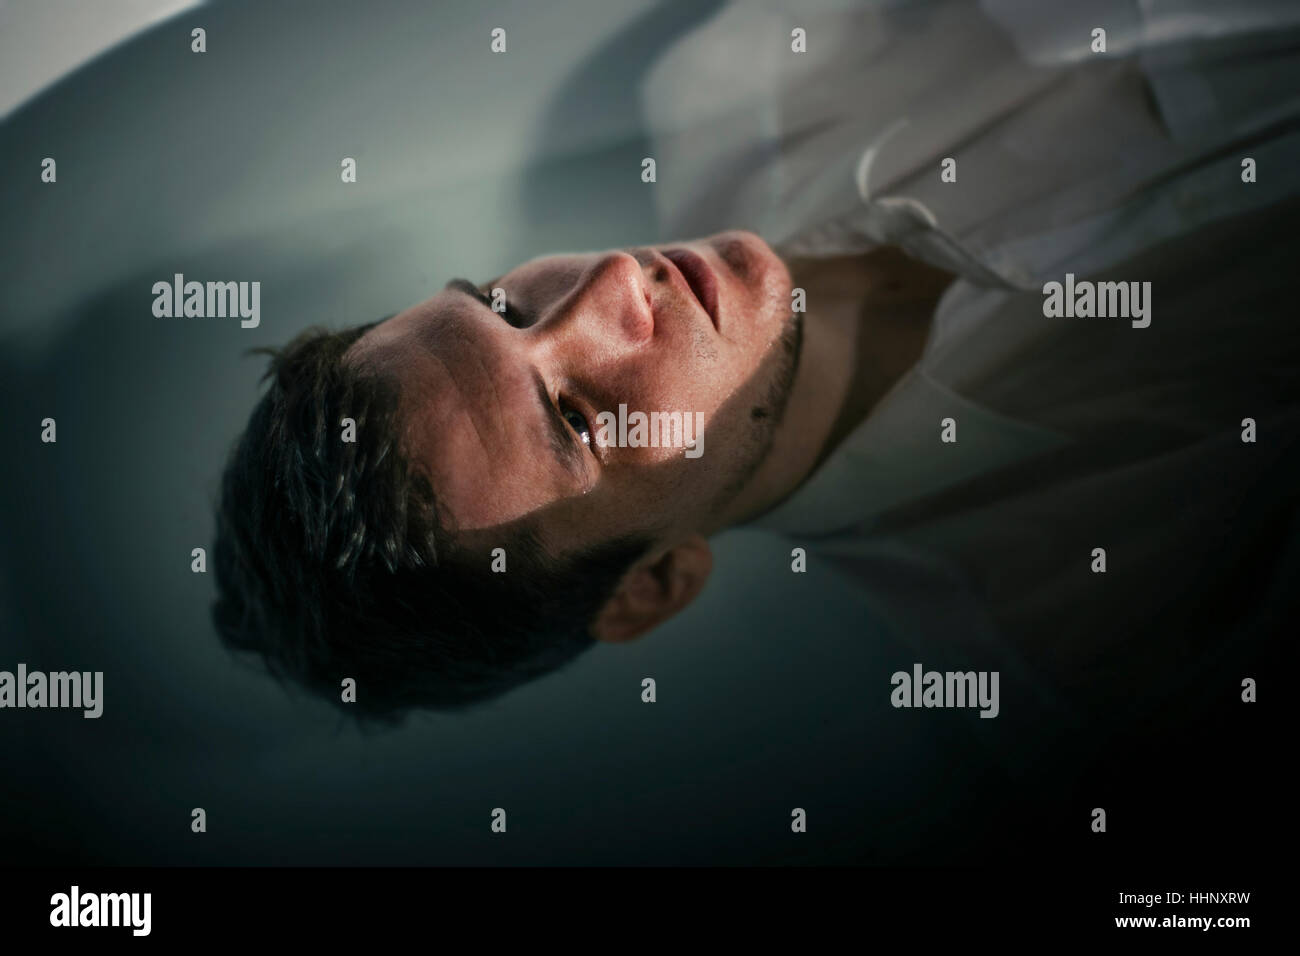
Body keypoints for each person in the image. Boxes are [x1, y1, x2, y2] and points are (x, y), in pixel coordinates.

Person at [212, 0, 1300, 726]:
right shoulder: (1117, 628)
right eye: (580, 419)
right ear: (652, 584)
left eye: (502, 303)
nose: (606, 288)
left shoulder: (741, 83)